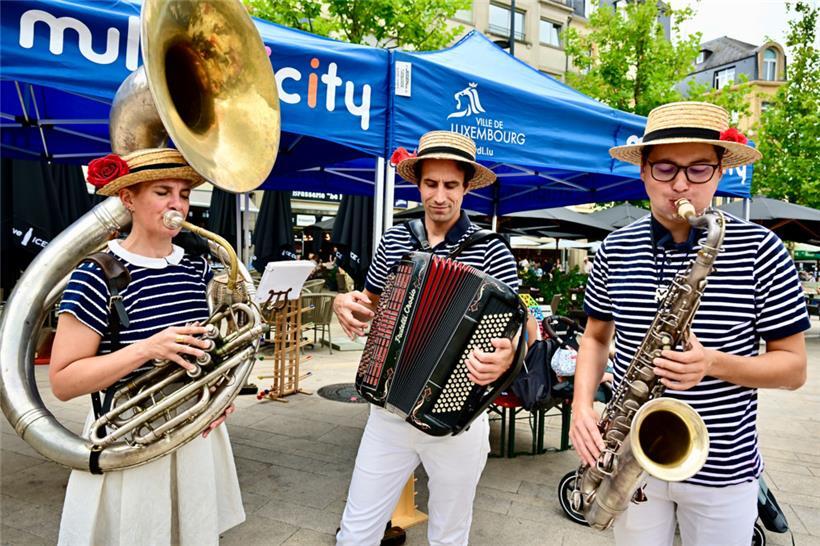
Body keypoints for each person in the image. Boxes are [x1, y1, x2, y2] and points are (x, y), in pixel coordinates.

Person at [569, 102, 809, 546]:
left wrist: (713, 363)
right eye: (664, 168)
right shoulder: (613, 248)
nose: (680, 184)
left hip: (723, 466)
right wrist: (582, 406)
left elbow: (793, 369)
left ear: (720, 172)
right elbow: (595, 337)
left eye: (699, 169)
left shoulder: (763, 249)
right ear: (642, 171)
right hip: (630, 459)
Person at [332, 131, 520, 545]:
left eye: (450, 185)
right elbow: (371, 302)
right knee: (356, 530)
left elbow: (523, 330)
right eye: (431, 184)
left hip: (458, 420)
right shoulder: (395, 238)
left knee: (450, 534)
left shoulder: (492, 250)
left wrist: (506, 357)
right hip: (388, 411)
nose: (439, 196)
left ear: (466, 187)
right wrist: (342, 304)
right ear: (418, 184)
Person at [50, 148, 245, 545]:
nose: (178, 204)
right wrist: (146, 348)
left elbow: (212, 349)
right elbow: (63, 381)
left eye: (184, 193)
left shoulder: (197, 267)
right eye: (162, 192)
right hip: (130, 433)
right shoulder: (95, 275)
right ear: (128, 199)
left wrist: (221, 391)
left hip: (193, 428)